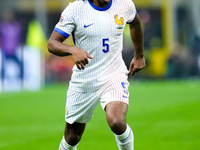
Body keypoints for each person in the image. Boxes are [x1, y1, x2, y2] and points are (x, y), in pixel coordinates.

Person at [48, 0, 146, 149]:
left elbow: (135, 22)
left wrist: (139, 55)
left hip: (114, 74)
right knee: (72, 137)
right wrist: (72, 50)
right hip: (84, 79)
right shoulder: (75, 9)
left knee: (117, 122)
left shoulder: (124, 4)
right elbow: (52, 43)